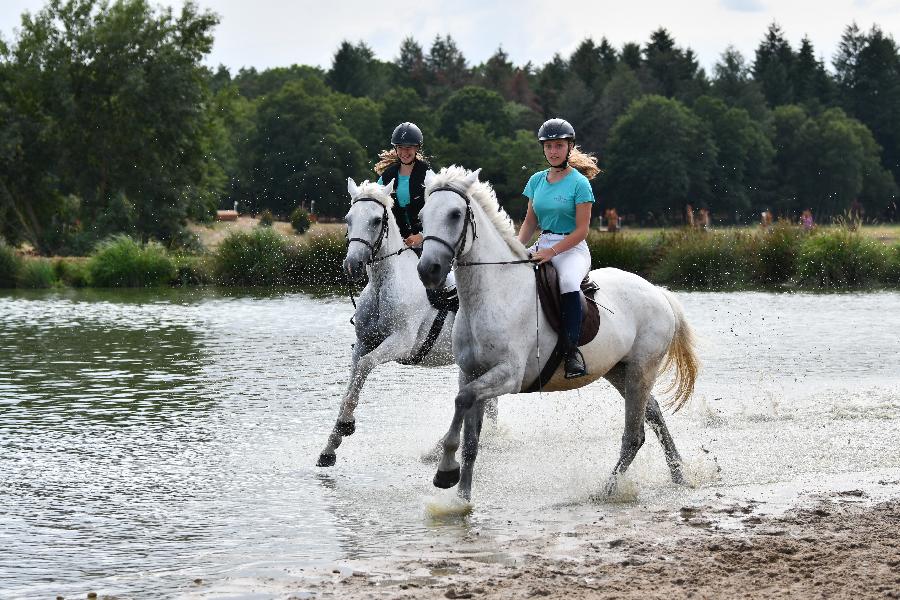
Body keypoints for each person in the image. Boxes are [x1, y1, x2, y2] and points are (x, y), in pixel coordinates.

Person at [516, 118, 599, 379]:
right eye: (549, 146)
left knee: (567, 283)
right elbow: (530, 222)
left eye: (559, 146)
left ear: (569, 147)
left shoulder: (579, 183)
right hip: (542, 243)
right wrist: (516, 249)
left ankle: (572, 351)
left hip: (572, 248)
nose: (553, 151)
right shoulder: (536, 180)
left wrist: (552, 253)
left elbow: (581, 231)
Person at [374, 122, 431, 250]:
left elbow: (439, 213)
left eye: (409, 147)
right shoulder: (386, 177)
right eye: (400, 147)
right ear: (396, 149)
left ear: (417, 148)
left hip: (427, 241)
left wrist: (422, 236)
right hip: (395, 241)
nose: (404, 152)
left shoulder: (429, 176)